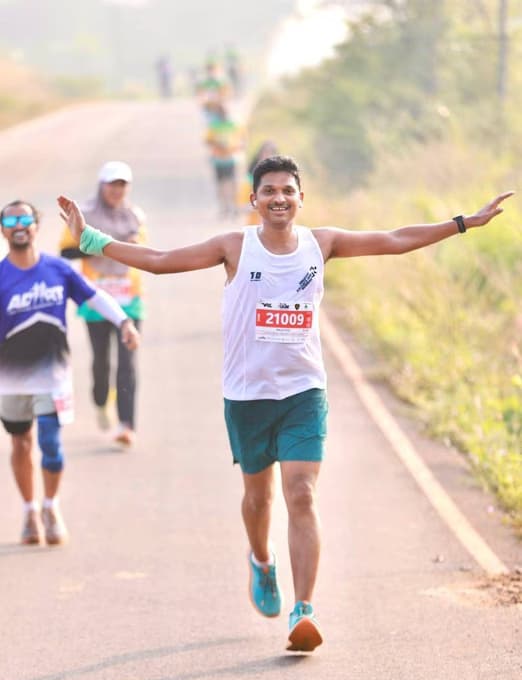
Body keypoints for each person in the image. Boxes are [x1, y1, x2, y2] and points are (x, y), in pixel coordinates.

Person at [58, 156, 513, 652]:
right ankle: (260, 559)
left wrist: (464, 222)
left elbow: (395, 240)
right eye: (268, 190)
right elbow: (163, 260)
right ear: (253, 200)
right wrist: (92, 240)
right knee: (259, 499)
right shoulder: (234, 246)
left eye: (288, 191)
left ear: (301, 198)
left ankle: (304, 611)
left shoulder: (324, 244)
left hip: (303, 392)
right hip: (248, 396)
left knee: (301, 494)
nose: (279, 198)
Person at [0, 200, 139, 547]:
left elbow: (94, 297)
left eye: (25, 218)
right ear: (3, 229)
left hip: (52, 374)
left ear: (36, 225)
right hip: (11, 378)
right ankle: (30, 510)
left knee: (49, 441)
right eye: (11, 219)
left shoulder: (57, 270)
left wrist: (123, 321)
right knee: (21, 442)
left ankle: (51, 506)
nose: (19, 224)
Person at [59, 161, 147, 446]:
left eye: (122, 185)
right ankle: (101, 399)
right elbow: (66, 250)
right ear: (102, 186)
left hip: (129, 299)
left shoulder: (135, 217)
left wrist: (130, 243)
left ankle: (126, 425)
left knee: (127, 363)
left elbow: (145, 253)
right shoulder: (84, 215)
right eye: (112, 184)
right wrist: (96, 244)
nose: (117, 190)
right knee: (101, 362)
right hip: (95, 298)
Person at [204, 105, 245, 218]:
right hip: (218, 159)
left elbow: (243, 138)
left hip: (232, 158)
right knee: (221, 184)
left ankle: (235, 207)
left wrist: (237, 147)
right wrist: (218, 145)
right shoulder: (214, 125)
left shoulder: (234, 124)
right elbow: (208, 140)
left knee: (233, 183)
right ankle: (224, 207)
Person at [239, 141, 279, 225]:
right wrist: (260, 205)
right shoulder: (250, 181)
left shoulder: (282, 181)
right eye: (264, 154)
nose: (267, 157)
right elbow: (241, 207)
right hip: (254, 229)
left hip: (278, 229)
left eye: (271, 154)